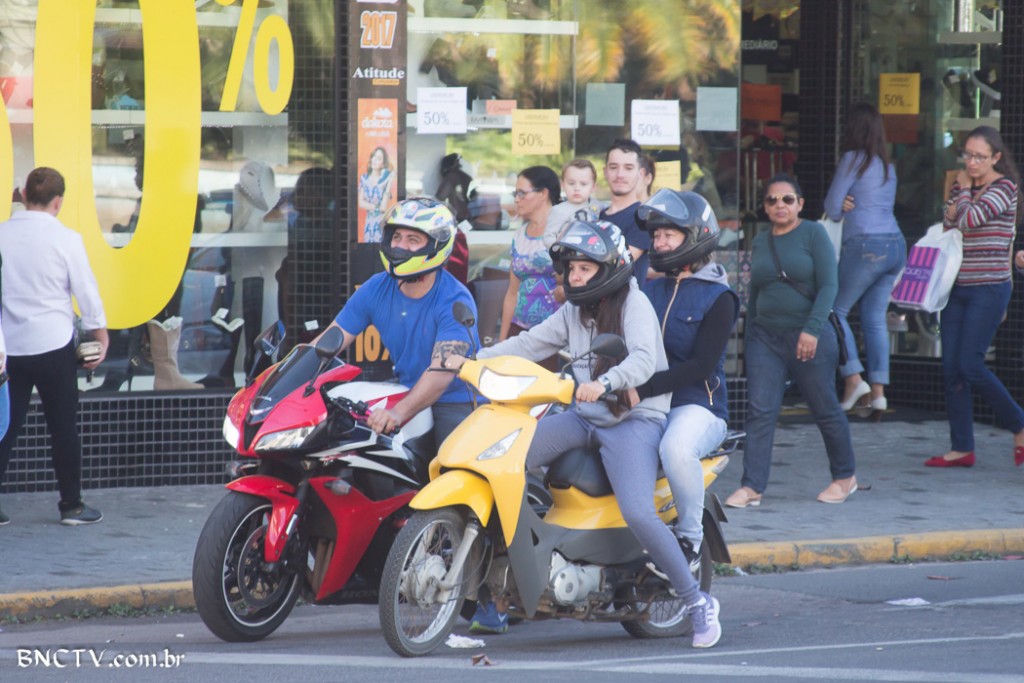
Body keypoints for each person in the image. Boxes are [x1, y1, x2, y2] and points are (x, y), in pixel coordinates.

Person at [449, 219, 722, 648]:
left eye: (584, 269)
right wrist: (476, 360)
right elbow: (532, 343)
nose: (574, 277)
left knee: (638, 511)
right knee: (504, 460)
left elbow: (644, 359)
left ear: (608, 269)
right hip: (584, 417)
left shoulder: (634, 303)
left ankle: (696, 601)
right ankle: (512, 577)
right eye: (571, 269)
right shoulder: (574, 310)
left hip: (633, 420)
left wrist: (608, 381)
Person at [727, 173, 857, 508]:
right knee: (759, 410)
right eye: (772, 200)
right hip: (765, 337)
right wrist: (750, 336)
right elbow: (756, 291)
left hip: (808, 333)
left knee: (824, 407)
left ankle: (844, 477)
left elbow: (829, 286)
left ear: (800, 203)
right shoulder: (761, 241)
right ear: (765, 206)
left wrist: (811, 330)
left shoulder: (813, 233)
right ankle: (752, 486)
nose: (779, 205)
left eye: (787, 199)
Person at [320, 197, 479, 446]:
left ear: (436, 246)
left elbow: (441, 374)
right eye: (396, 237)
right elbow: (328, 343)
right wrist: (281, 380)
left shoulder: (454, 300)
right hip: (404, 390)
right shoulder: (376, 288)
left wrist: (397, 413)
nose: (400, 246)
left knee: (450, 463)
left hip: (454, 400)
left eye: (413, 239)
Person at [636, 189, 739, 570]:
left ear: (695, 236)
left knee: (676, 449)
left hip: (697, 405)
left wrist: (641, 389)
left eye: (669, 235)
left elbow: (701, 365)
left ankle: (690, 540)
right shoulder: (647, 291)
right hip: (645, 403)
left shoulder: (718, 297)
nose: (659, 243)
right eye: (656, 236)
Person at [0, 167, 108, 525]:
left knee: (4, 426)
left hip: (9, 348)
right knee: (63, 427)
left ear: (23, 195)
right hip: (54, 346)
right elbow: (86, 291)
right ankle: (71, 506)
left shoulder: (1, 235)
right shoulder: (66, 239)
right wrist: (99, 333)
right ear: (58, 202)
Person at [928, 126, 1024, 469]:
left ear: (996, 157)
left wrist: (964, 193)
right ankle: (962, 447)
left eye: (979, 156)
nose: (971, 162)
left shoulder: (1005, 187)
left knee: (971, 363)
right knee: (951, 368)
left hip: (989, 288)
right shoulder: (963, 184)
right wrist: (959, 201)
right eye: (967, 154)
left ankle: (1019, 424)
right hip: (957, 287)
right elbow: (948, 221)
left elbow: (967, 219)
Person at [824, 103, 907, 419]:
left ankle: (853, 378)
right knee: (874, 319)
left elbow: (832, 208)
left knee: (834, 311)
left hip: (866, 246)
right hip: (895, 245)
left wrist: (844, 204)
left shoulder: (852, 160)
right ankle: (879, 394)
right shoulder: (888, 166)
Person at [499, 166, 562, 344]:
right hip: (518, 331)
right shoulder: (519, 236)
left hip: (554, 334)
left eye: (522, 193)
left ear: (543, 193)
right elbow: (512, 293)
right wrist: (502, 340)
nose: (516, 199)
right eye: (515, 193)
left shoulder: (564, 230)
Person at [600, 139, 652, 284]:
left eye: (628, 168)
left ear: (640, 174)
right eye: (613, 167)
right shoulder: (596, 216)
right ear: (605, 172)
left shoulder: (643, 218)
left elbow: (616, 265)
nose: (620, 174)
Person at [542, 158, 603, 248]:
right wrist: (561, 249)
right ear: (563, 185)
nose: (577, 188)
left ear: (593, 187)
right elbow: (548, 237)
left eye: (583, 184)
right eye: (571, 183)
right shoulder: (558, 210)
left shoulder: (599, 207)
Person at [358, 146, 394, 243]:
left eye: (378, 158)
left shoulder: (385, 181)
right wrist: (377, 207)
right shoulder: (364, 178)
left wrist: (389, 181)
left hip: (380, 222)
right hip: (368, 222)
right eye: (373, 156)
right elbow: (361, 203)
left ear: (383, 164)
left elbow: (384, 207)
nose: (374, 160)